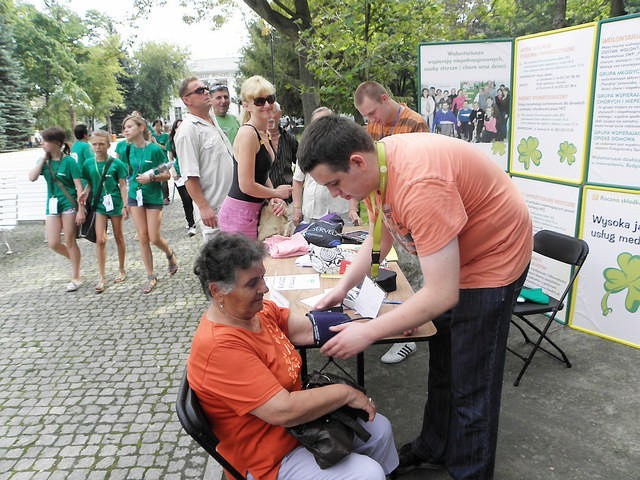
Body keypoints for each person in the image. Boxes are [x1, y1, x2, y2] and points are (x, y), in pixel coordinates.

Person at [296, 115, 532, 480]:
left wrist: (370, 332)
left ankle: (469, 471)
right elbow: (382, 234)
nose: (335, 195)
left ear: (357, 161)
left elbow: (441, 293)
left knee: (472, 384)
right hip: (463, 257)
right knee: (443, 364)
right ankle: (435, 446)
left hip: (493, 259)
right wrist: (342, 288)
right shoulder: (377, 168)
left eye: (335, 184)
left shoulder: (420, 185)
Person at [187, 232, 399, 480]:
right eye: (252, 283)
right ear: (217, 291)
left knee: (380, 430)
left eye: (262, 277)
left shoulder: (255, 312)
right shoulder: (221, 349)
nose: (264, 289)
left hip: (297, 427)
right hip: (269, 455)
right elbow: (284, 410)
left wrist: (380, 325)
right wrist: (346, 393)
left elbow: (309, 329)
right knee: (367, 474)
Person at [354, 80, 428, 365]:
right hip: (387, 211)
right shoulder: (373, 126)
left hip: (410, 210)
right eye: (366, 117)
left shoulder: (415, 123)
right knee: (394, 271)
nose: (370, 121)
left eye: (372, 113)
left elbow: (420, 169)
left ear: (385, 99)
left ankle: (409, 333)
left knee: (419, 276)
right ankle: (397, 323)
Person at [217, 75, 291, 239]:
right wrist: (277, 193)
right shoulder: (248, 133)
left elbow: (261, 175)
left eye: (270, 99)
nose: (266, 104)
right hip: (239, 216)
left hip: (253, 211)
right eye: (259, 101)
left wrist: (272, 196)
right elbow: (246, 185)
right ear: (246, 105)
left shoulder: (263, 132)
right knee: (247, 264)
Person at [121, 114, 178, 294]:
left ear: (141, 128)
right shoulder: (126, 150)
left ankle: (170, 255)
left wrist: (151, 177)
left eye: (130, 126)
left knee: (154, 237)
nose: (126, 130)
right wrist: (124, 203)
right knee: (143, 237)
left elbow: (167, 174)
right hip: (134, 196)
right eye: (125, 128)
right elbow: (124, 176)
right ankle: (151, 276)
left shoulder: (154, 150)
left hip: (153, 197)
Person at [174, 77, 234, 242]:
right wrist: (203, 207)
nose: (206, 92)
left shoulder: (211, 120)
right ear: (186, 100)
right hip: (214, 212)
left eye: (205, 88)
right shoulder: (188, 130)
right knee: (221, 262)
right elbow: (189, 175)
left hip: (231, 205)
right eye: (199, 90)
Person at [28, 127, 85, 292]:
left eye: (46, 141)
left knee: (69, 240)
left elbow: (78, 186)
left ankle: (76, 276)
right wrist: (43, 159)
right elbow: (31, 177)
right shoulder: (44, 161)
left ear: (57, 143)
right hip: (52, 205)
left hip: (68, 204)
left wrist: (81, 209)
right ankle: (75, 261)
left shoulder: (69, 161)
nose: (42, 144)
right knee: (53, 242)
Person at [291, 106, 360, 227]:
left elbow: (355, 180)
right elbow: (297, 181)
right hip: (312, 213)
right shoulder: (305, 149)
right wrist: (297, 208)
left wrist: (353, 209)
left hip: (341, 213)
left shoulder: (346, 147)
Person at [82, 130, 129, 293]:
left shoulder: (117, 164)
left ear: (108, 145)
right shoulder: (88, 164)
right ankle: (102, 276)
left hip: (114, 203)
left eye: (101, 144)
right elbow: (89, 183)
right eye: (95, 144)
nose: (98, 147)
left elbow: (123, 185)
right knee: (100, 240)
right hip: (99, 205)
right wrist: (85, 192)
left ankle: (122, 269)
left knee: (118, 236)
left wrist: (125, 205)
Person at [166, 119, 196, 237]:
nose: (179, 129)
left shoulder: (189, 139)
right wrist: (173, 171)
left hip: (190, 172)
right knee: (186, 200)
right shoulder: (171, 142)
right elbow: (170, 159)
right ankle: (191, 223)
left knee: (194, 197)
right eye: (177, 127)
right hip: (179, 174)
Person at [267, 102, 298, 204]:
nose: (269, 116)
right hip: (266, 201)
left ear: (280, 114)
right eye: (266, 112)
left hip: (289, 199)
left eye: (273, 112)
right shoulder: (256, 140)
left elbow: (301, 165)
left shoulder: (290, 139)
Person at [151, 119, 171, 205]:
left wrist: (156, 143)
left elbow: (166, 148)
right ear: (153, 127)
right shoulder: (150, 136)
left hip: (163, 160)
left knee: (164, 178)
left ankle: (165, 197)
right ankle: (156, 196)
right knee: (154, 178)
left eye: (159, 125)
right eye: (156, 125)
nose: (157, 127)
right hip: (153, 160)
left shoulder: (165, 136)